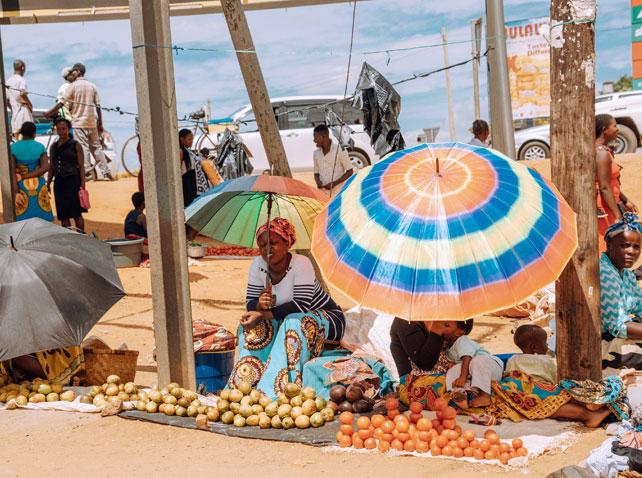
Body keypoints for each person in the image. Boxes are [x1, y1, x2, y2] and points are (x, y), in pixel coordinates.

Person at [228, 217, 345, 398]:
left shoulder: (301, 263)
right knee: (252, 326)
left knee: (294, 322)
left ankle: (278, 388)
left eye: (273, 243)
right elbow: (250, 303)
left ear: (287, 243)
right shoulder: (258, 266)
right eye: (262, 245)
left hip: (327, 319)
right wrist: (260, 304)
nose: (267, 249)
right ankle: (246, 384)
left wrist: (262, 314)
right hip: (284, 318)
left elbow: (301, 305)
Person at [46, 63, 113, 180]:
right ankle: (106, 172)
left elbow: (62, 102)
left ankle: (86, 172)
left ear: (78, 71)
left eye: (73, 71)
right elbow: (98, 105)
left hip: (78, 122)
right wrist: (100, 122)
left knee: (83, 147)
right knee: (97, 147)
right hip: (92, 121)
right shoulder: (92, 86)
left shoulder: (73, 86)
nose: (72, 73)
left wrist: (50, 112)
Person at [600, 214, 642, 371]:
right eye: (624, 245)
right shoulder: (605, 274)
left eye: (636, 247)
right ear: (609, 245)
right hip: (600, 345)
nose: (631, 252)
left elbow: (639, 305)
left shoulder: (626, 273)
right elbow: (618, 326)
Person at [596, 114, 637, 252]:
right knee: (607, 246)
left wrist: (625, 200)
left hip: (611, 203)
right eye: (614, 126)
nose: (617, 129)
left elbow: (611, 183)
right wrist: (618, 217)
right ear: (604, 130)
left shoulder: (604, 151)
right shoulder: (601, 154)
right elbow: (604, 188)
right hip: (605, 208)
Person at [441, 320, 503, 408]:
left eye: (446, 325)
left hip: (491, 367)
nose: (441, 328)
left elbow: (467, 358)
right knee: (454, 369)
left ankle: (485, 396)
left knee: (476, 361)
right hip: (473, 372)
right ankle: (459, 393)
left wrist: (462, 377)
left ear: (460, 332)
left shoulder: (462, 340)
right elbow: (455, 362)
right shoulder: (447, 346)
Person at [46, 117, 86, 231]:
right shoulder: (53, 147)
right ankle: (70, 239)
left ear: (68, 129)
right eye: (59, 129)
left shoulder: (76, 145)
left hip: (73, 182)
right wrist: (48, 183)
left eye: (63, 129)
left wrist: (83, 185)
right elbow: (51, 167)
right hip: (59, 183)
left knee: (76, 213)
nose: (61, 132)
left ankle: (82, 236)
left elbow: (81, 167)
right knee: (63, 215)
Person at [11, 122, 53, 222]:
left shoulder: (13, 148)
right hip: (38, 186)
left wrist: (16, 193)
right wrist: (25, 176)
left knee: (23, 219)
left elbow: (12, 171)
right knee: (42, 218)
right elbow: (45, 168)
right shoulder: (40, 147)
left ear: (21, 133)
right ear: (34, 134)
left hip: (21, 187)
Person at [313, 124, 353, 193]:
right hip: (322, 193)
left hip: (337, 192)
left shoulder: (339, 150)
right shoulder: (316, 153)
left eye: (316, 137)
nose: (314, 140)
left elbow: (350, 171)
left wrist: (334, 183)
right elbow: (316, 173)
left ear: (323, 136)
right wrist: (318, 182)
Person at [179, 128, 209, 208]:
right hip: (188, 184)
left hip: (193, 183)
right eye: (189, 139)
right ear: (182, 139)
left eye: (192, 139)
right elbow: (178, 170)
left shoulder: (188, 151)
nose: (191, 141)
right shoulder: (181, 151)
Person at [5, 59, 33, 139]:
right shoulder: (21, 80)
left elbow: (6, 101)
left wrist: (13, 108)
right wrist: (30, 104)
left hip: (15, 118)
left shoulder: (8, 81)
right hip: (24, 115)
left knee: (18, 142)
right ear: (23, 68)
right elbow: (22, 94)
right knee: (28, 141)